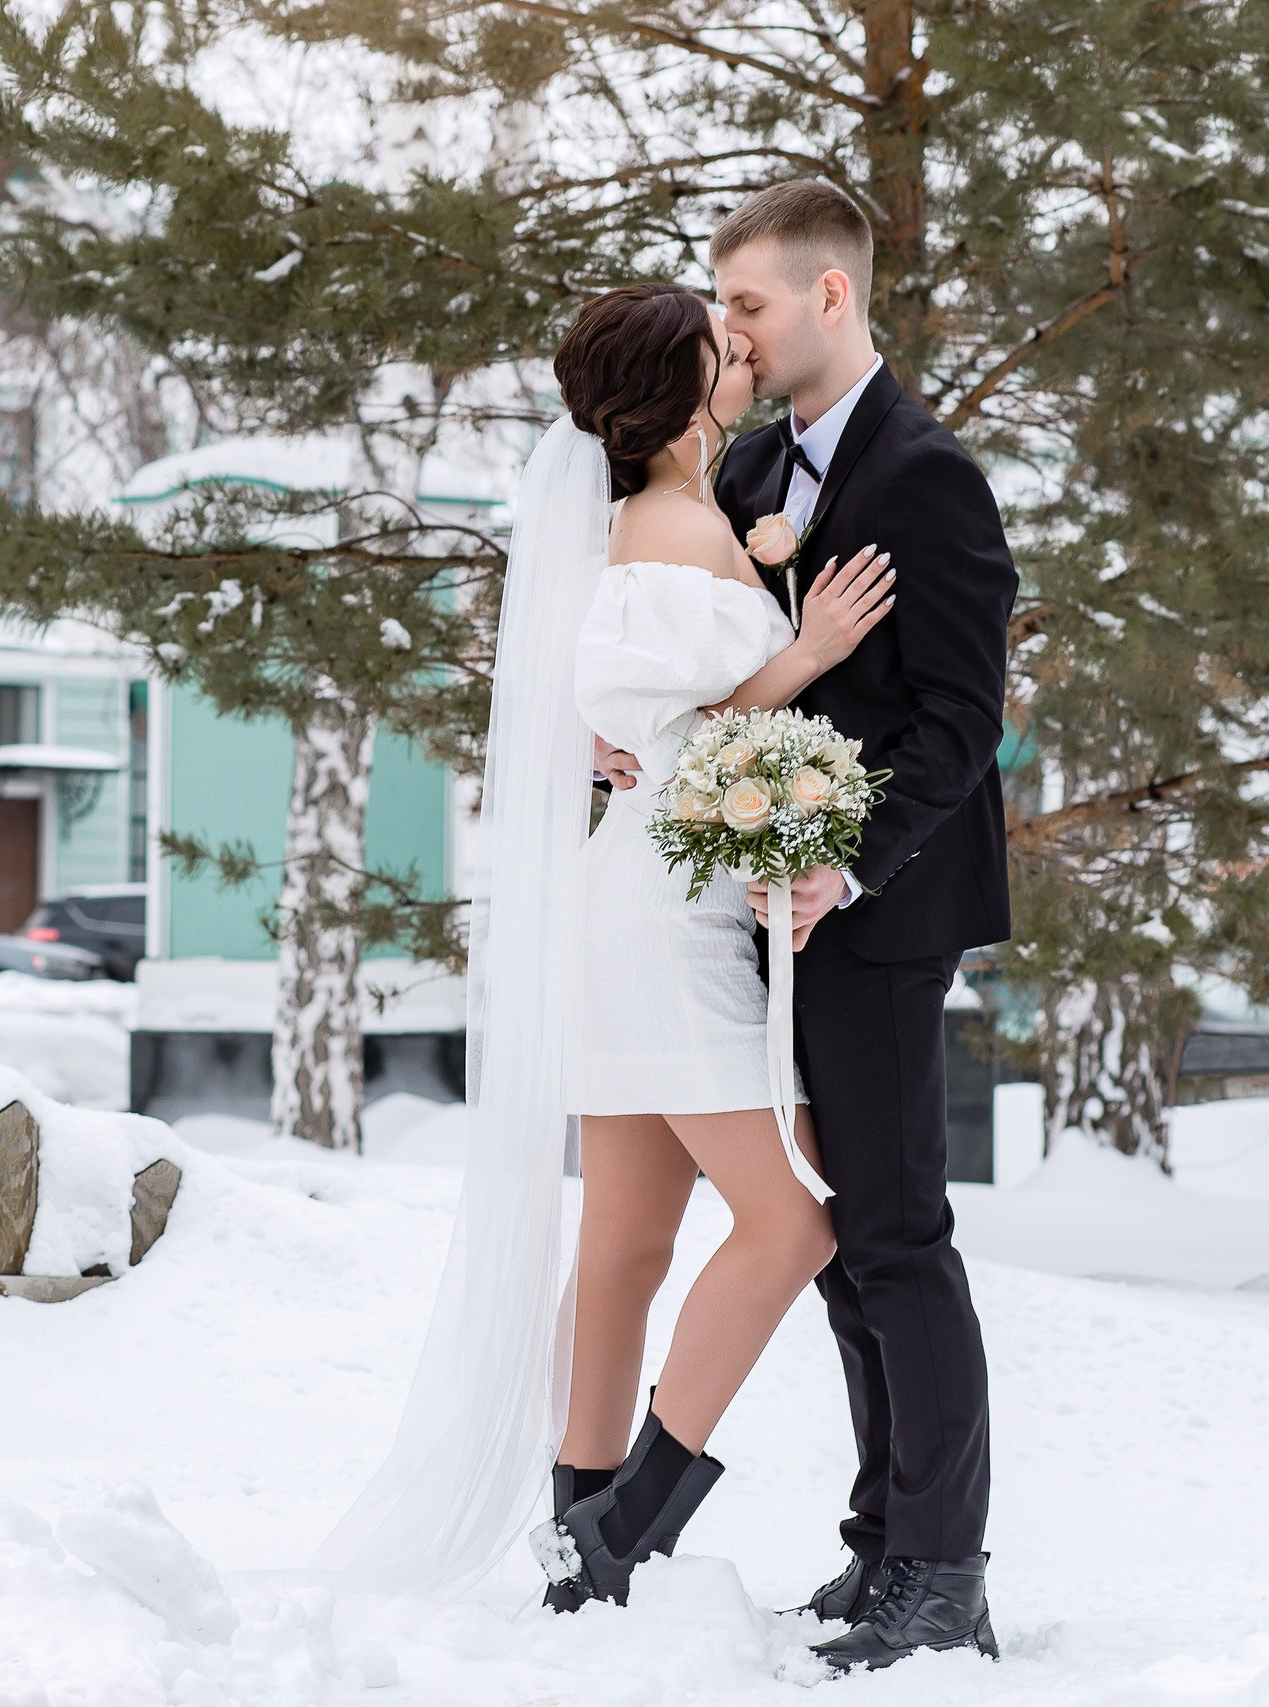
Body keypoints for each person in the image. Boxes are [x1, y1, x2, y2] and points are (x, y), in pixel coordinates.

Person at [316, 274, 910, 1638]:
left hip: (638, 899)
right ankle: (627, 1518)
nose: (742, 353)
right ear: (683, 390)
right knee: (792, 1223)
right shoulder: (674, 527)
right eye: (720, 346)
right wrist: (812, 646)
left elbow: (643, 717)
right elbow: (692, 736)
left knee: (631, 1236)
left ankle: (580, 1519)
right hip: (663, 916)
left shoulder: (661, 519)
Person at [608, 179, 1018, 1670]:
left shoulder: (930, 476)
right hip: (763, 907)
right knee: (846, 1249)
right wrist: (628, 731)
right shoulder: (755, 463)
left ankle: (945, 1578)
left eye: (750, 305)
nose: (732, 332)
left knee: (900, 1238)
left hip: (880, 910)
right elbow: (716, 655)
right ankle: (881, 1547)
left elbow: (961, 718)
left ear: (830, 295)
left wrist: (847, 865)